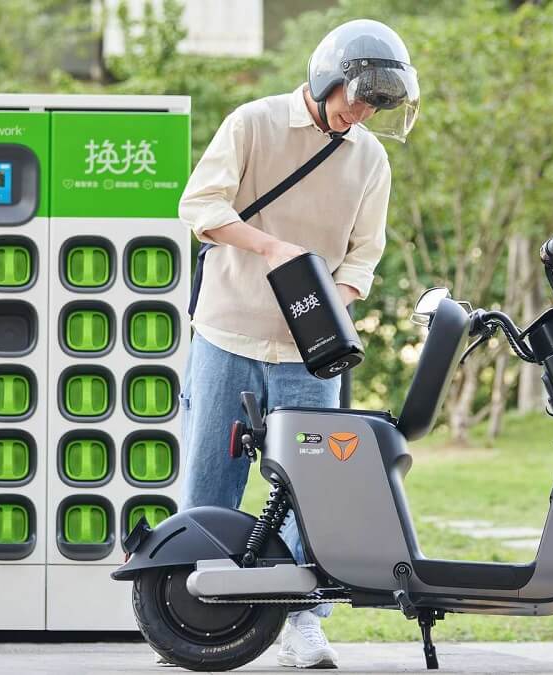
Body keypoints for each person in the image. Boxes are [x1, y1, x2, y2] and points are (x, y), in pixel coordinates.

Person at [174, 19, 419, 669]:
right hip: (227, 331)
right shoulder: (253, 124)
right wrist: (273, 248)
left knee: (315, 488)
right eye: (356, 97)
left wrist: (332, 303)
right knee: (209, 480)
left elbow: (364, 256)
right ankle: (193, 613)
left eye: (375, 105)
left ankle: (302, 622)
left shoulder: (370, 157)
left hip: (311, 354)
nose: (361, 113)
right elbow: (201, 207)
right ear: (327, 76)